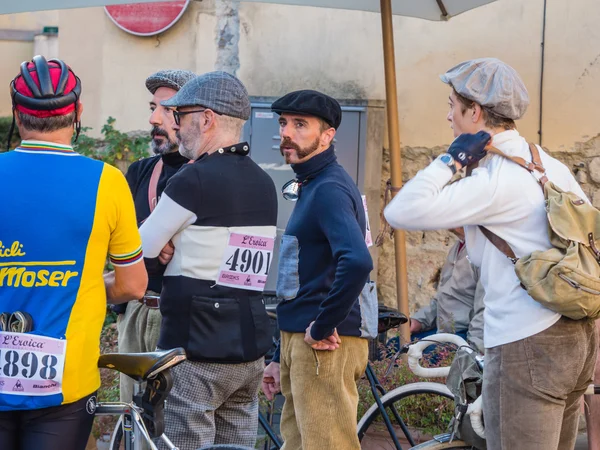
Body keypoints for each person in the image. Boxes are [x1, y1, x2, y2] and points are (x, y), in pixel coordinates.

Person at [384, 57, 597, 450]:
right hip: (576, 339)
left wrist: (450, 159)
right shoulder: (549, 165)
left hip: (526, 343)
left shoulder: (495, 179)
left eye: (452, 106)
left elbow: (399, 211)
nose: (448, 116)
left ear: (475, 111)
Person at [0, 56, 147, 450]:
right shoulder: (108, 182)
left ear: (16, 113)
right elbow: (134, 285)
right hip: (67, 380)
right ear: (77, 112)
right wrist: (82, 287)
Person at [139, 71, 278, 450]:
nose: (177, 128)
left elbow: (140, 249)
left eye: (180, 117)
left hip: (197, 348)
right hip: (249, 347)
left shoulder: (191, 179)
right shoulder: (263, 182)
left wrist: (167, 246)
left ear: (207, 118)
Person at [261, 90, 374, 450]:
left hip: (325, 343)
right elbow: (302, 276)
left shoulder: (329, 187)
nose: (287, 133)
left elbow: (357, 261)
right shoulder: (312, 185)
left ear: (328, 135)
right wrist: (280, 356)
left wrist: (323, 325)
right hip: (303, 339)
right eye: (283, 124)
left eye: (300, 125)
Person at [116, 69, 195, 404]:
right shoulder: (140, 171)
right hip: (135, 311)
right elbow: (115, 243)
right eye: (153, 107)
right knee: (129, 416)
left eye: (165, 109)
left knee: (173, 424)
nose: (153, 118)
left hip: (182, 319)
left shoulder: (210, 175)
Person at [409, 228, 484, 353]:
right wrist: (419, 321)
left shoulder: (482, 252)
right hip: (443, 332)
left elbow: (485, 309)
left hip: (463, 336)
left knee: (418, 355)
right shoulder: (458, 246)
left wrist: (471, 350)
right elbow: (443, 297)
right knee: (395, 346)